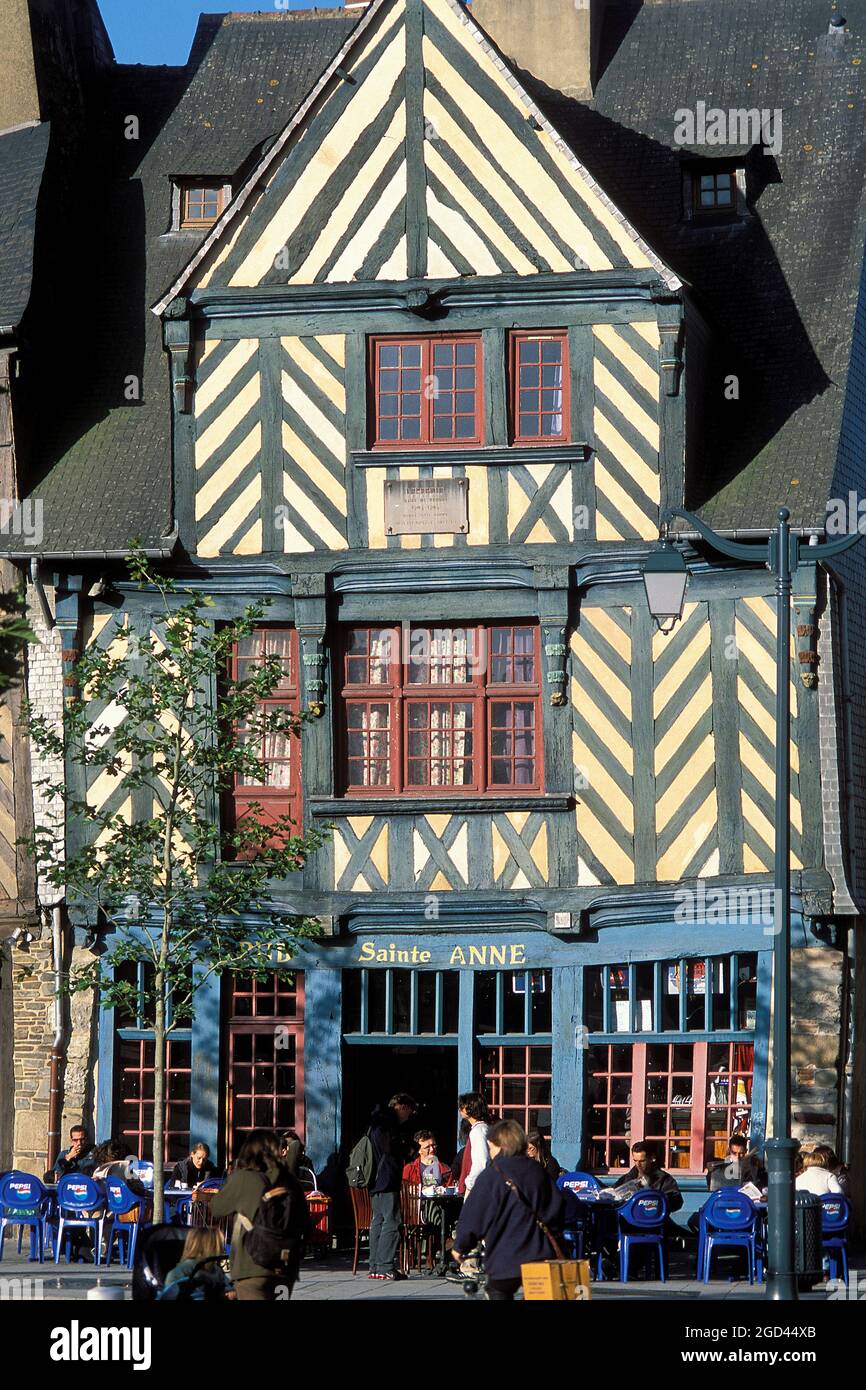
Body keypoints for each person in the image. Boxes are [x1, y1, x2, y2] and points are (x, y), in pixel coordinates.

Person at [451, 1119, 565, 1301]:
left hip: (505, 1258)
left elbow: (474, 1214)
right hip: (539, 1254)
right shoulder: (538, 1171)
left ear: (497, 1145)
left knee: (497, 1292)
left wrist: (461, 1245)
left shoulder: (492, 1175)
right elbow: (557, 1207)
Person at [211, 1128, 309, 1301]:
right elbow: (306, 1223)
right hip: (285, 1267)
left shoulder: (244, 1178)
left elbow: (216, 1207)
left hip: (251, 1266)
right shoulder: (291, 1182)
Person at [366, 1095, 416, 1281]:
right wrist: (407, 1150)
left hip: (376, 1179)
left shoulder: (375, 1120)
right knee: (391, 1220)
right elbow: (389, 1147)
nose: (409, 1116)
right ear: (401, 1106)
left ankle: (375, 1267)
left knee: (378, 1221)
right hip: (387, 1178)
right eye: (409, 1112)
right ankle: (385, 1266)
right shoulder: (387, 1123)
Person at [160, 1227, 233, 1301]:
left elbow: (227, 1289)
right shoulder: (180, 1273)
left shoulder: (216, 1270)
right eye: (219, 1245)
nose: (222, 1249)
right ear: (210, 1247)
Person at [614, 1141, 683, 1211]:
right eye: (635, 1160)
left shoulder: (664, 1179)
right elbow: (612, 1197)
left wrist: (656, 1199)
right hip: (629, 1219)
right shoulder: (626, 1178)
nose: (638, 1165)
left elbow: (677, 1202)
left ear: (651, 1158)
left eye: (642, 1161)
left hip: (654, 1218)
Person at [457, 1092, 490, 1196]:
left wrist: (469, 1183)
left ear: (470, 1108)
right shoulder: (482, 1128)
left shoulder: (478, 1130)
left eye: (462, 1106)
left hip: (478, 1188)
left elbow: (481, 1162)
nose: (459, 1109)